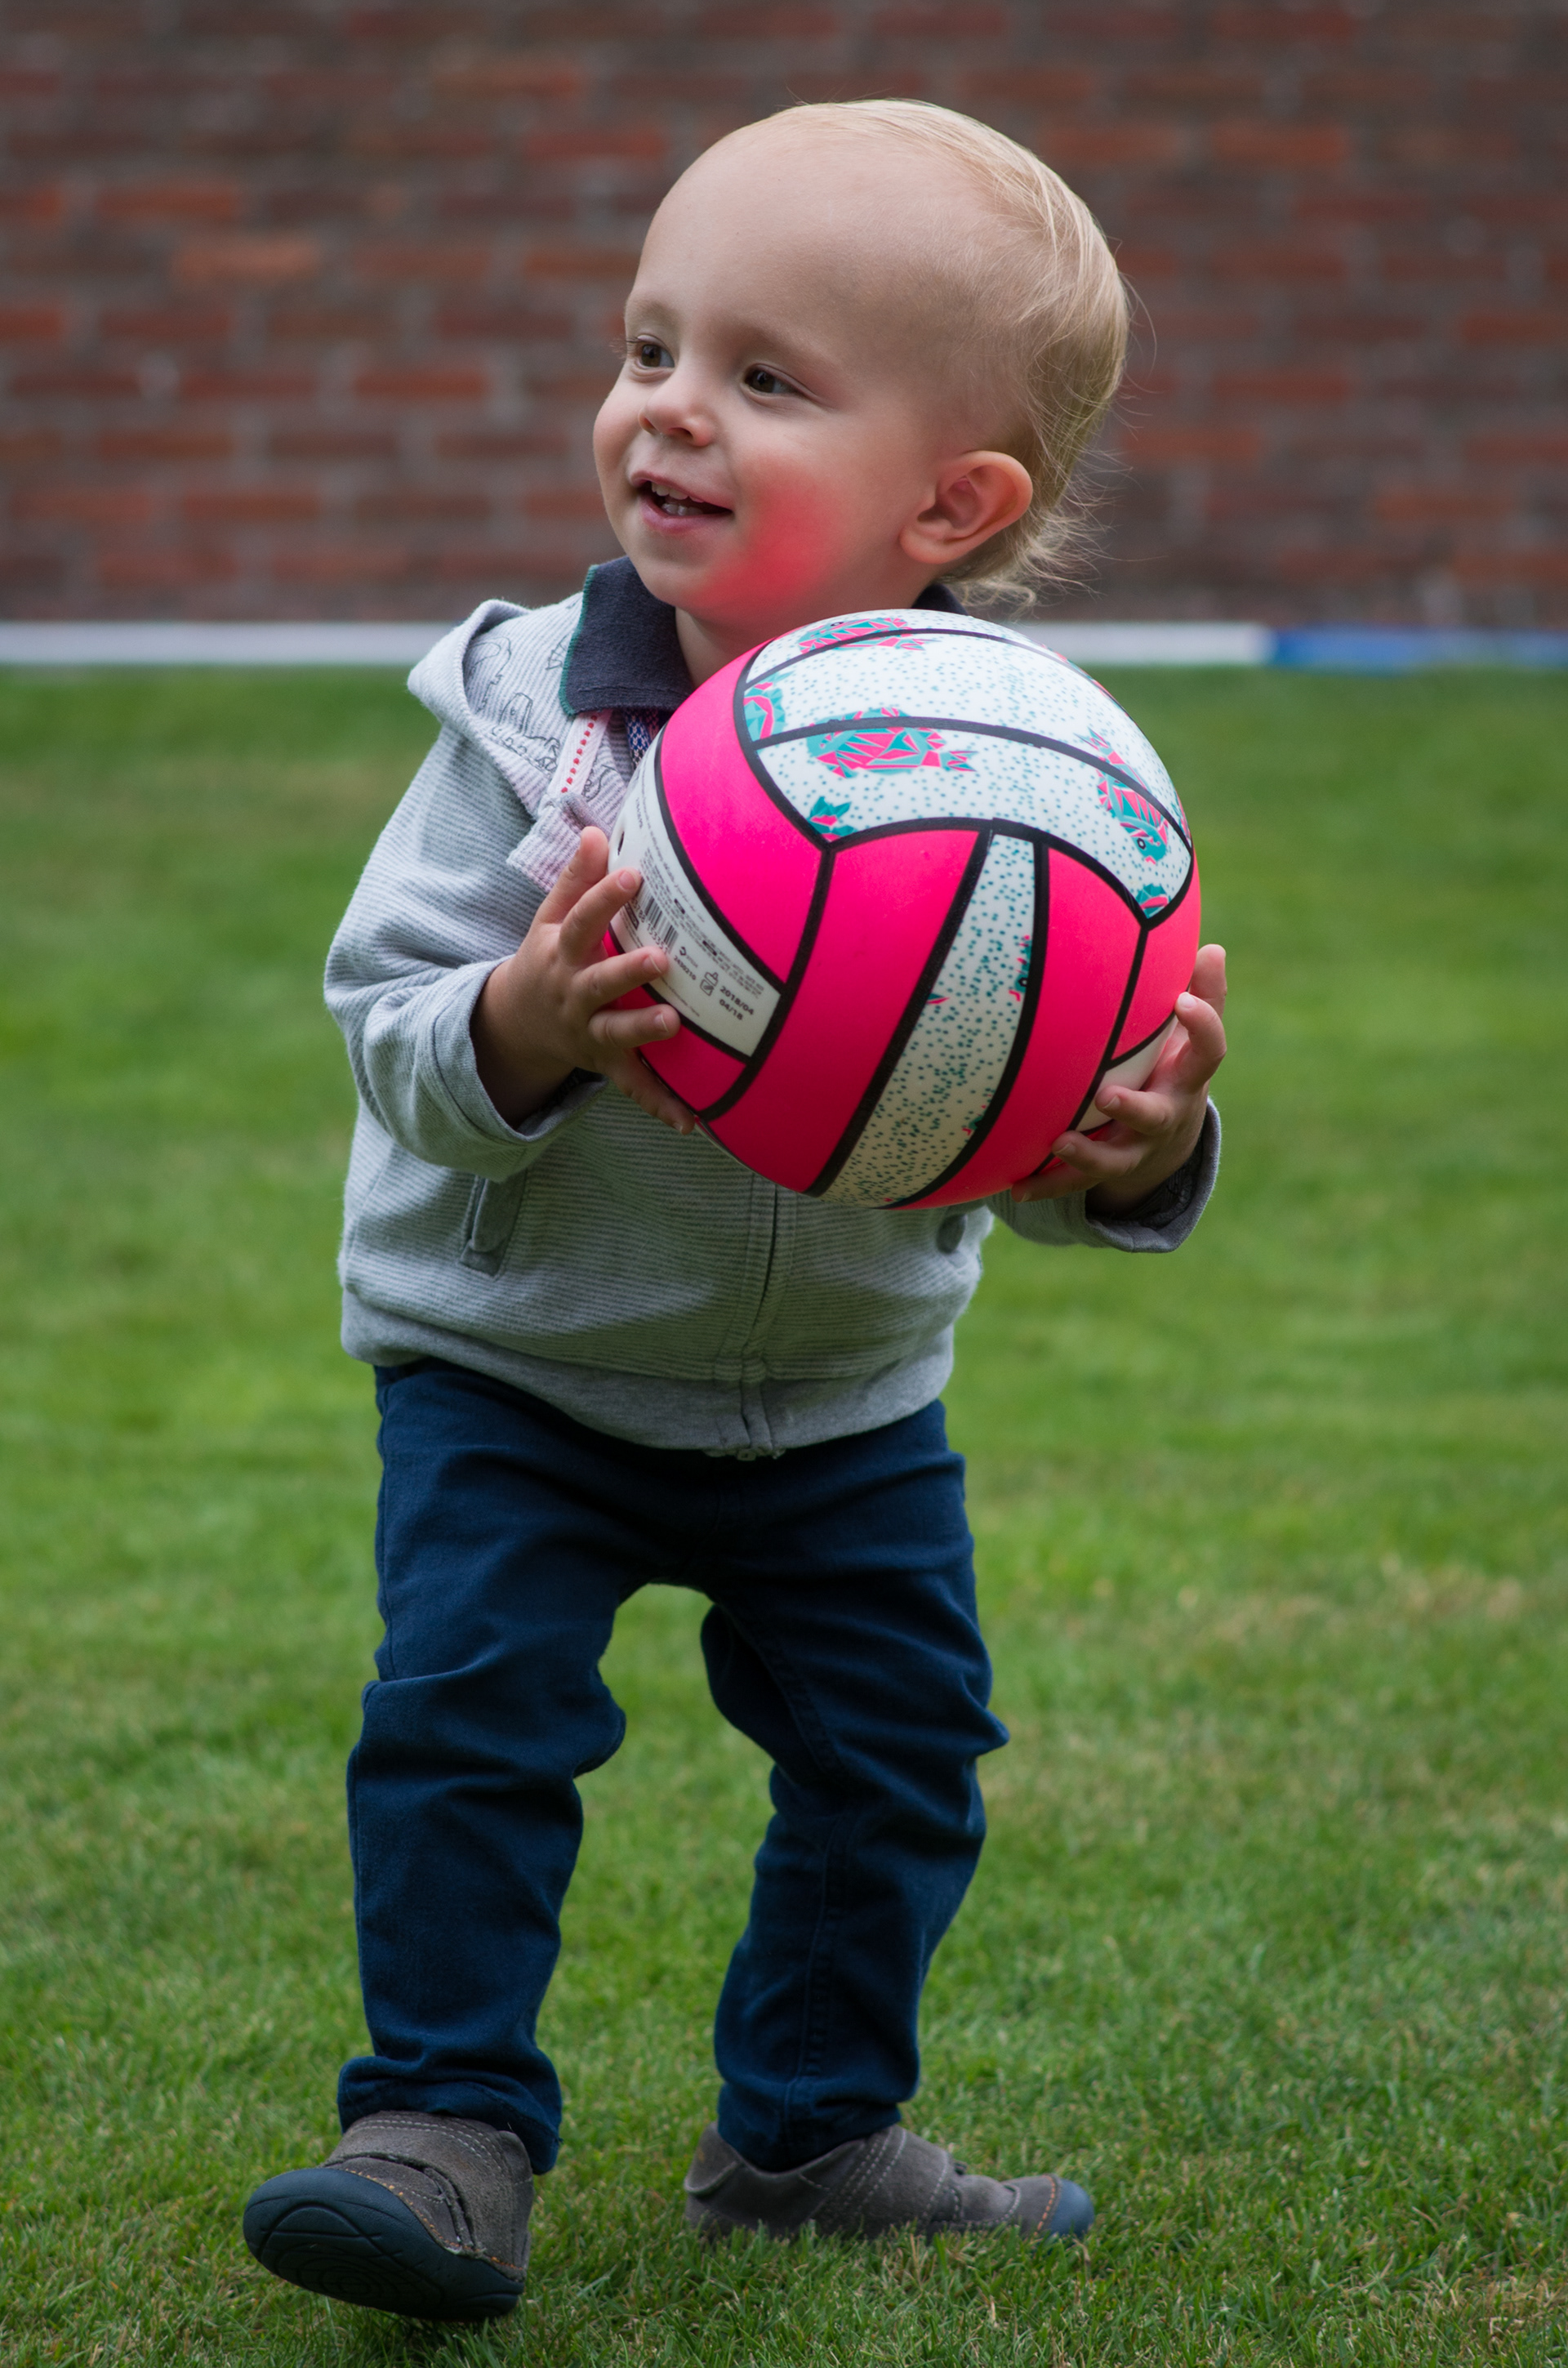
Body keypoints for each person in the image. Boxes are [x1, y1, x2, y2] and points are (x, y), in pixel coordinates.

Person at [243, 99, 1227, 2324]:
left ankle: (806, 2139)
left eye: (766, 377)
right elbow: (386, 1021)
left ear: (953, 504)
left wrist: (1135, 1139)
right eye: (650, 345)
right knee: (470, 1724)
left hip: (841, 1400)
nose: (669, 406)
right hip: (521, 1368)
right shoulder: (534, 724)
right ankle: (440, 2129)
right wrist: (523, 1020)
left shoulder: (1032, 788)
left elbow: (1033, 1118)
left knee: (902, 1758)